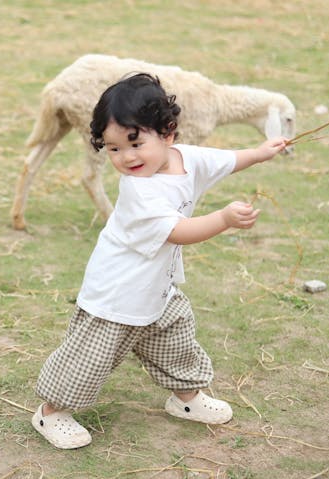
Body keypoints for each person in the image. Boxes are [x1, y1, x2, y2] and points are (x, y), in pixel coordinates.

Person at [31, 73, 288, 449]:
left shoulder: (187, 158)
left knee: (177, 338)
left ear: (168, 133)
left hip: (157, 287)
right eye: (114, 149)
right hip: (116, 295)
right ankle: (51, 413)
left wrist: (262, 152)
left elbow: (228, 160)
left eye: (135, 143)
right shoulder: (139, 192)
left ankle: (186, 398)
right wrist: (224, 220)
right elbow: (177, 231)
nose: (126, 157)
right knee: (89, 358)